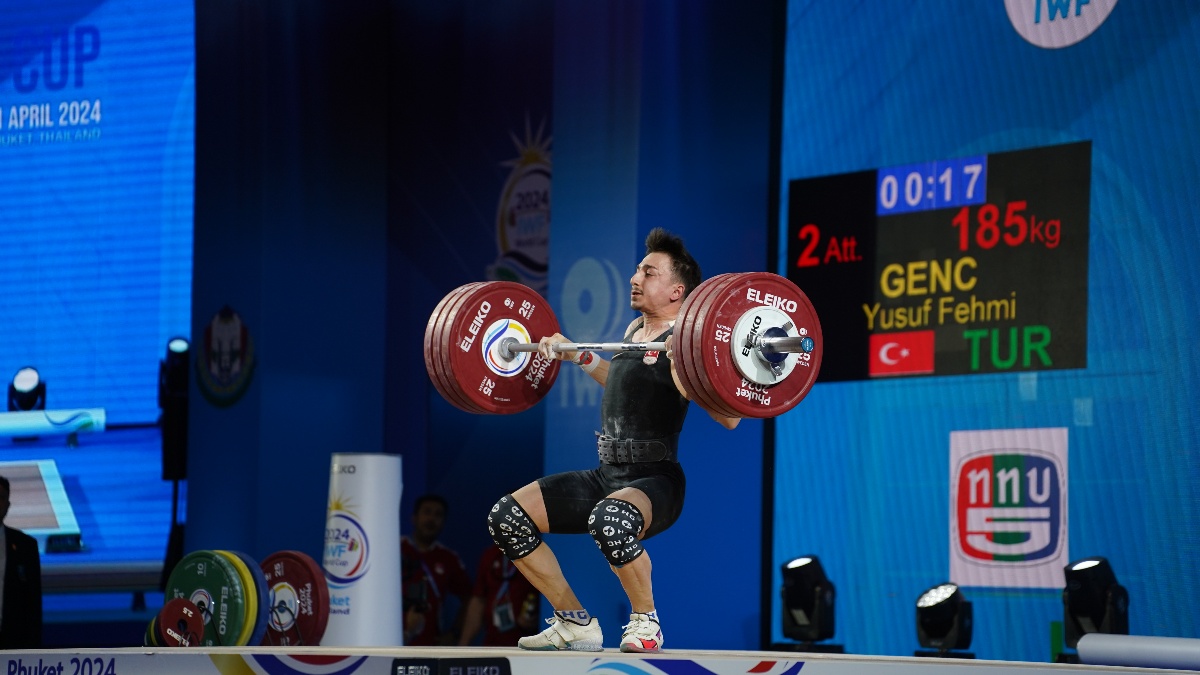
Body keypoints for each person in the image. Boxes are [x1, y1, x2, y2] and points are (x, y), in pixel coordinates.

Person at [485, 228, 740, 653]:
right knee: (508, 517)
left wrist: (685, 370)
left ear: (677, 290)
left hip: (655, 480)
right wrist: (579, 355)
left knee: (611, 520)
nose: (635, 278)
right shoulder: (635, 329)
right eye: (638, 270)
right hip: (608, 474)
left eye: (649, 272)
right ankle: (574, 622)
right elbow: (623, 384)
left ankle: (646, 622)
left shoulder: (689, 342)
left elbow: (730, 418)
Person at [401, 493, 471, 646]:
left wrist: (454, 633)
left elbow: (470, 599)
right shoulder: (394, 548)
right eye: (426, 512)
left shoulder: (448, 558)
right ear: (414, 518)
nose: (431, 519)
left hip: (430, 646)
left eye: (438, 515)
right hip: (390, 640)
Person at [456, 544, 539, 647]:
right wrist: (463, 644)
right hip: (492, 643)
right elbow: (478, 601)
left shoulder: (537, 555)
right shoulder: (490, 555)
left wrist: (537, 617)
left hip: (527, 644)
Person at [0, 475, 43, 649]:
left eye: (1, 498)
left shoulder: (26, 546)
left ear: (8, 505)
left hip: (13, 642)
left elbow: (33, 603)